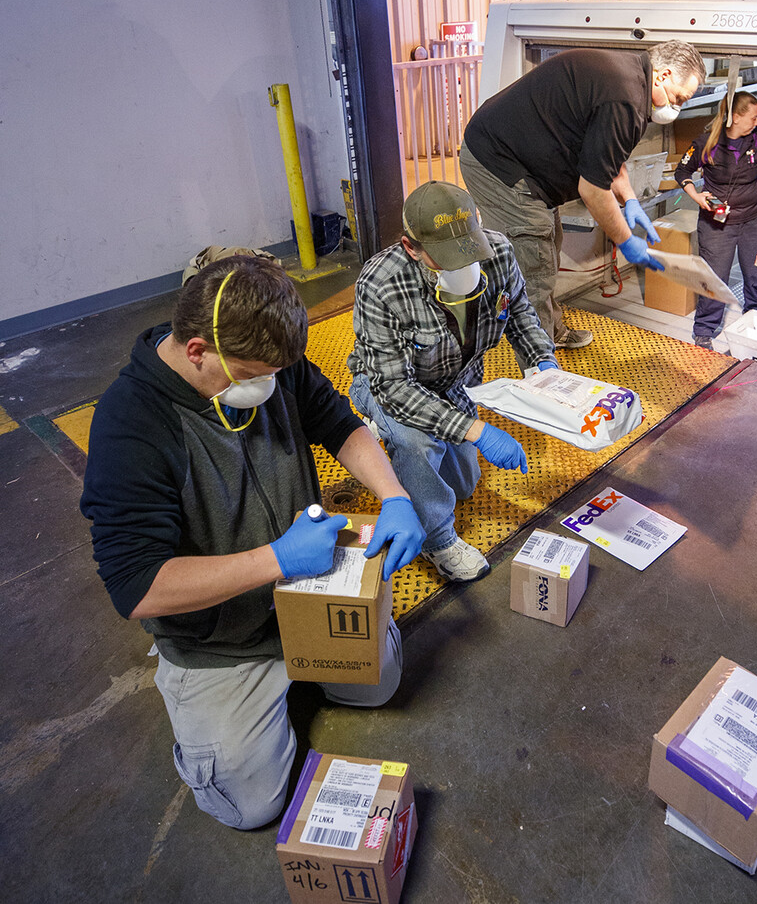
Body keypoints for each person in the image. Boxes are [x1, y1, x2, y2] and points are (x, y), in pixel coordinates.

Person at [80, 256, 427, 829]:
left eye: (277, 372)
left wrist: (395, 496)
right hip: (221, 635)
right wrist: (277, 558)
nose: (269, 387)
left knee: (380, 686)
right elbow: (135, 586)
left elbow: (339, 423)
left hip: (307, 592)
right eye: (252, 375)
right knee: (252, 806)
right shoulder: (131, 424)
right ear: (197, 351)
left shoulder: (270, 360)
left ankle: (301, 668)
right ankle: (202, 699)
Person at [348, 180, 558, 582]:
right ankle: (437, 540)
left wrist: (542, 365)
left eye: (469, 252)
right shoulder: (380, 284)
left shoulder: (497, 252)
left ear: (478, 223)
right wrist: (475, 430)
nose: (464, 268)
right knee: (417, 441)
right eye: (446, 259)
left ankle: (415, 446)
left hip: (457, 383)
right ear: (412, 248)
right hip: (394, 387)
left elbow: (519, 316)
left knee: (463, 486)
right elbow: (396, 388)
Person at [459, 41, 707, 352]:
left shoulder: (633, 80)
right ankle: (541, 373)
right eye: (679, 98)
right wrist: (626, 240)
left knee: (547, 245)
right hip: (496, 162)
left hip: (523, 164)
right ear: (663, 75)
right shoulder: (625, 97)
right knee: (533, 266)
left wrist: (629, 199)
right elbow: (592, 190)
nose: (677, 107)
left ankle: (552, 329)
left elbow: (608, 156)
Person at [674, 89, 757, 351]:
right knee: (715, 277)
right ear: (735, 117)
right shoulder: (706, 143)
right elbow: (682, 170)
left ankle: (755, 316)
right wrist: (696, 196)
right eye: (753, 117)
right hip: (717, 222)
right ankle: (704, 329)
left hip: (753, 216)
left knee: (755, 271)